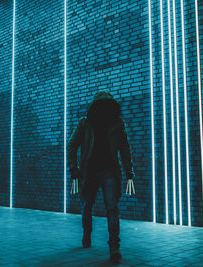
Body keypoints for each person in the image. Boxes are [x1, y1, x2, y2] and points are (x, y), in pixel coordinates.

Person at [67, 90, 134, 262]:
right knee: (86, 206)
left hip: (109, 172)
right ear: (95, 106)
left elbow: (125, 148)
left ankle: (114, 246)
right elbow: (72, 145)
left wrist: (128, 172)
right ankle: (87, 235)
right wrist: (74, 170)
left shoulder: (117, 124)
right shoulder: (85, 124)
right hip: (88, 172)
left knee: (112, 208)